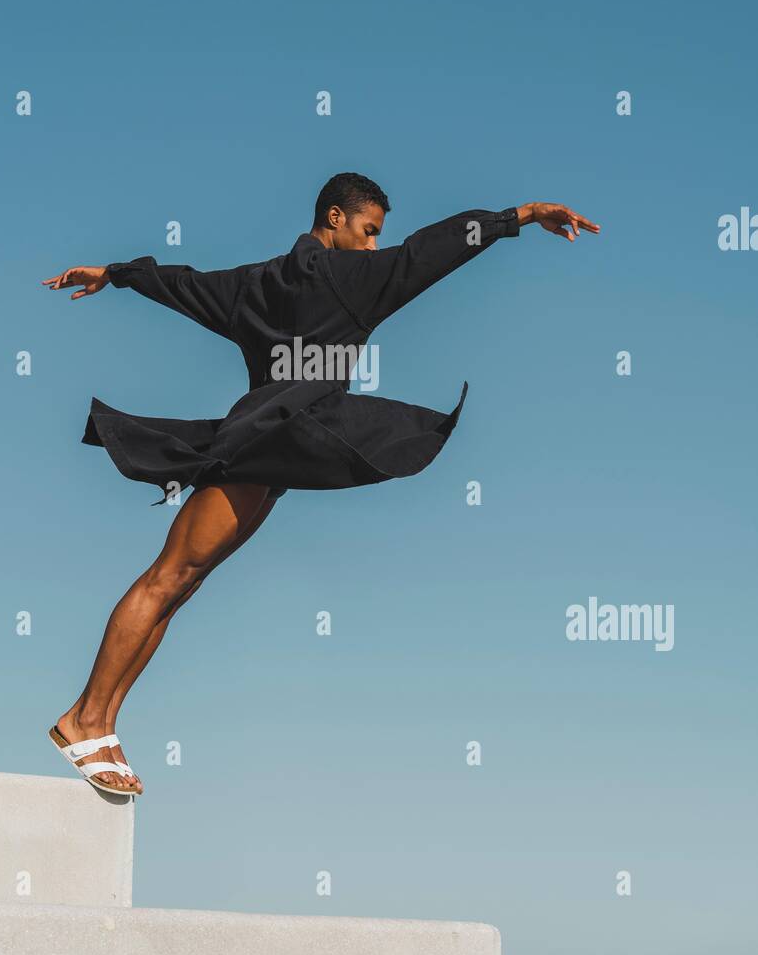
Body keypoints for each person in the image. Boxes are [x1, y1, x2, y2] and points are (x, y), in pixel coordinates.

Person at [43, 173, 599, 795]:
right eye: (368, 231)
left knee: (182, 583)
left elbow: (182, 283)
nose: (371, 247)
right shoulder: (357, 281)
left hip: (265, 446)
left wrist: (115, 273)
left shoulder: (255, 283)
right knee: (169, 576)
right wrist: (520, 215)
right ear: (334, 218)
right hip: (268, 448)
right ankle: (84, 717)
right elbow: (438, 248)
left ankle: (102, 723)